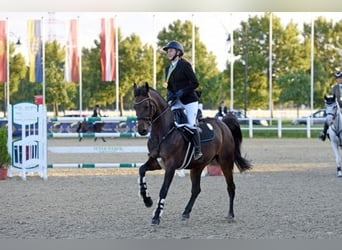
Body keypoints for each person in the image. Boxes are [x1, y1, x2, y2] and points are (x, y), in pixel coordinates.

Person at [163, 40, 203, 160]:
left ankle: (197, 150)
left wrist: (182, 91)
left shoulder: (185, 65)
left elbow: (195, 83)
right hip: (176, 101)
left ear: (178, 52)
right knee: (170, 122)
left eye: (170, 51)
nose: (168, 53)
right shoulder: (168, 68)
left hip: (189, 100)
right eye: (168, 51)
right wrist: (170, 94)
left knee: (190, 123)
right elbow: (170, 85)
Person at [319, 71, 342, 141]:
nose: (339, 80)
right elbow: (333, 98)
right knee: (328, 118)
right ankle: (324, 133)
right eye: (337, 78)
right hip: (337, 108)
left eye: (340, 78)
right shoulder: (335, 88)